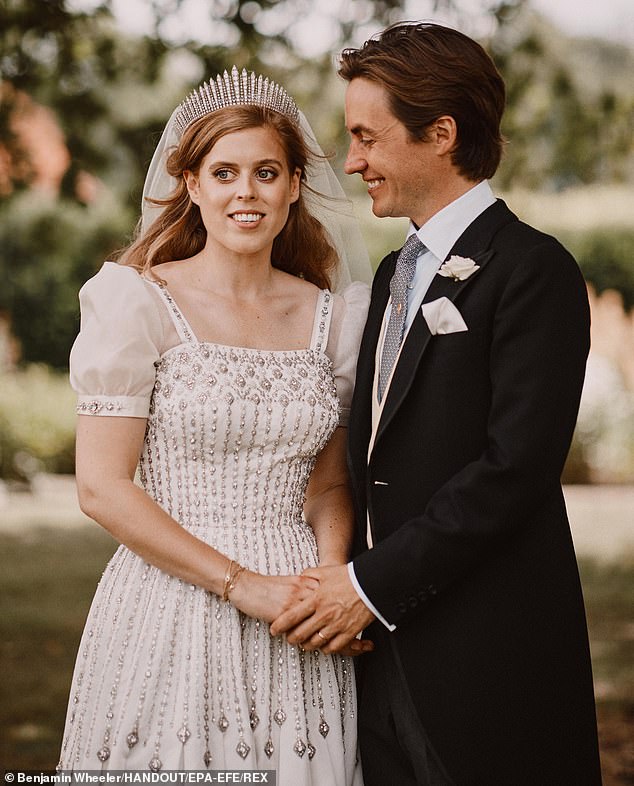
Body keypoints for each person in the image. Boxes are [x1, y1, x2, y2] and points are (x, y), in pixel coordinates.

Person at [271, 23, 602, 785]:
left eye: (366, 137)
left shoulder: (533, 269)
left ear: (441, 134)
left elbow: (513, 470)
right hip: (380, 656)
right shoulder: (393, 274)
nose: (351, 161)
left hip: (489, 654)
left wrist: (368, 586)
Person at [57, 67, 373, 781]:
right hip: (170, 601)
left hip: (299, 612)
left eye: (266, 172)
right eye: (223, 172)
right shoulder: (135, 303)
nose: (246, 192)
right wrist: (240, 585)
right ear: (192, 184)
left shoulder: (336, 319)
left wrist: (329, 581)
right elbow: (102, 488)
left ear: (296, 184)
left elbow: (327, 486)